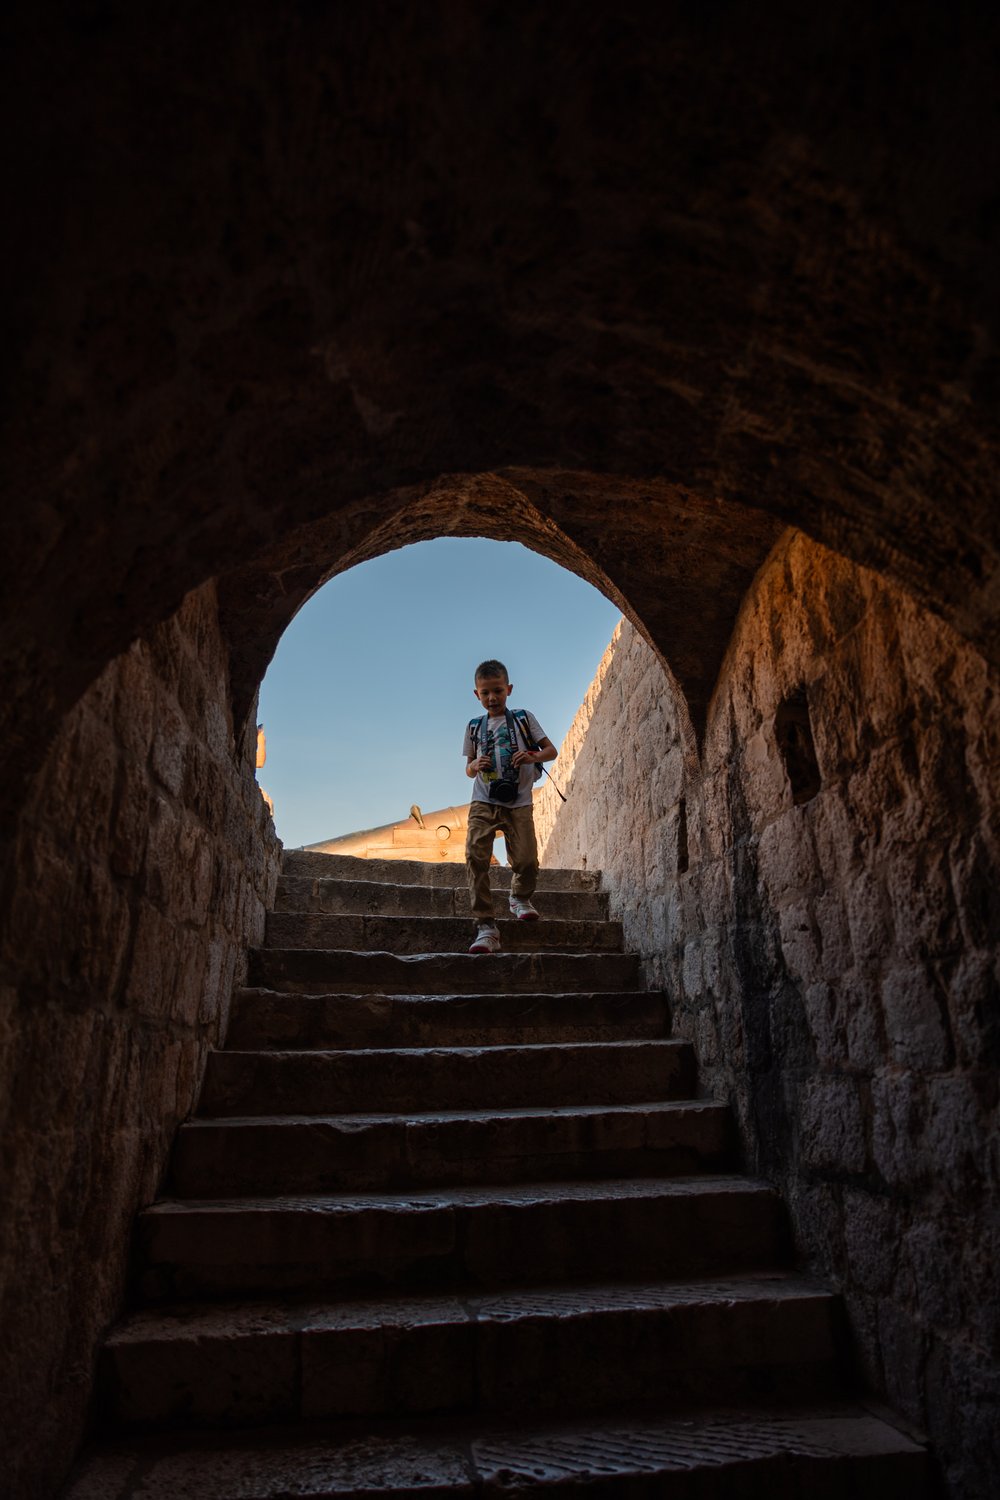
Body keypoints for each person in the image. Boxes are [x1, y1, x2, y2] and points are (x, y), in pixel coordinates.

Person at [462, 659, 558, 954]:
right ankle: (486, 927)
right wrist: (476, 764)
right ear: (476, 694)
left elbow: (550, 750)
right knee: (475, 856)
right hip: (483, 800)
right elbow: (468, 769)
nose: (492, 698)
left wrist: (531, 756)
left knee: (527, 860)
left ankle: (519, 897)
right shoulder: (474, 727)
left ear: (509, 690)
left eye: (498, 691)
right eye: (486, 692)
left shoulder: (523, 719)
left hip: (519, 801)